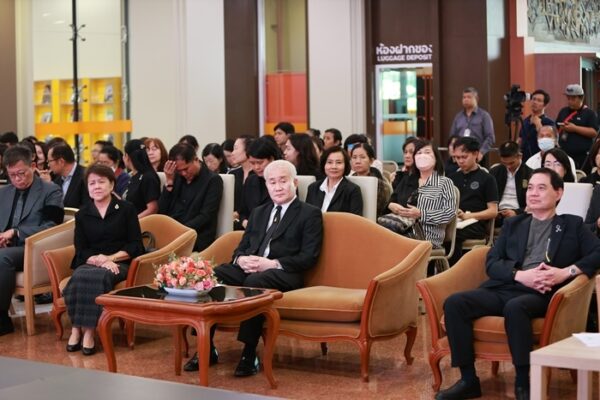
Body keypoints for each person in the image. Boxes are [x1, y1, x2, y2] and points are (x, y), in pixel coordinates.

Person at [436, 168, 600, 400]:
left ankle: (523, 382)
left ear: (558, 193)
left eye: (541, 188)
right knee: (455, 303)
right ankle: (468, 380)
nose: (533, 193)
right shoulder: (514, 224)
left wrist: (565, 273)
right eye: (530, 188)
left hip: (543, 292)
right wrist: (519, 275)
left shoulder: (572, 225)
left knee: (516, 307)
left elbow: (597, 253)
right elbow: (492, 262)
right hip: (508, 286)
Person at [183, 160, 323, 376]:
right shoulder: (259, 212)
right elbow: (241, 248)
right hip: (251, 268)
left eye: (283, 181)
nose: (277, 187)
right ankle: (206, 347)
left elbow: (308, 256)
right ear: (266, 185)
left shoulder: (309, 213)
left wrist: (272, 264)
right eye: (272, 182)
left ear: (294, 183)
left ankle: (249, 353)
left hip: (285, 273)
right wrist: (240, 260)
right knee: (211, 276)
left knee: (254, 283)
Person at [63, 164, 144, 355]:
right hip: (91, 262)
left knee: (99, 276)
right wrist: (98, 260)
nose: (96, 186)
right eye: (92, 183)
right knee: (79, 276)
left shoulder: (126, 209)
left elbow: (136, 245)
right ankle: (76, 329)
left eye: (101, 182)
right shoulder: (82, 214)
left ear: (112, 185)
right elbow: (81, 249)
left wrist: (110, 258)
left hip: (119, 263)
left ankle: (88, 332)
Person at [0, 145, 64, 335]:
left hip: (33, 248)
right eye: (12, 175)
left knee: (2, 258)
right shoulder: (4, 192)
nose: (17, 179)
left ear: (33, 166)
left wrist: (16, 232)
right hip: (7, 247)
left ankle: (1, 319)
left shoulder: (51, 191)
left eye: (22, 173)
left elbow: (52, 227)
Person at [383, 139, 456, 248]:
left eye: (427, 152)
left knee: (389, 242)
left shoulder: (444, 182)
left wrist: (422, 214)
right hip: (400, 230)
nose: (422, 156)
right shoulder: (407, 180)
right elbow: (392, 201)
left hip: (427, 237)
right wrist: (392, 205)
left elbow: (449, 213)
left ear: (436, 158)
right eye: (419, 153)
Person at [159, 143, 223, 251]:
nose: (183, 173)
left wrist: (179, 230)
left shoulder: (212, 180)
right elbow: (162, 210)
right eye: (179, 170)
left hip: (196, 237)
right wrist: (169, 182)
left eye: (186, 169)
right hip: (172, 236)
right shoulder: (176, 177)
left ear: (196, 160)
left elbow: (206, 216)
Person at [448, 137, 499, 265]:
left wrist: (468, 216)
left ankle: (455, 270)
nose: (460, 161)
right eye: (457, 157)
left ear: (476, 154)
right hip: (454, 220)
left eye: (464, 157)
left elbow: (493, 211)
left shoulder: (487, 179)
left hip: (476, 223)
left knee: (453, 234)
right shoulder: (452, 178)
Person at [305, 146, 363, 215]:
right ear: (324, 164)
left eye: (339, 162)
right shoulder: (313, 188)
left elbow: (355, 219)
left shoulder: (353, 190)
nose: (334, 166)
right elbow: (307, 215)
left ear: (346, 165)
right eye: (329, 162)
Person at [238, 137, 281, 229]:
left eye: (260, 162)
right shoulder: (250, 180)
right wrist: (244, 221)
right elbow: (242, 212)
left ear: (271, 159)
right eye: (252, 163)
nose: (256, 167)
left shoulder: (284, 181)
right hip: (251, 230)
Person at [556, 84, 599, 170]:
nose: (570, 101)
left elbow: (594, 132)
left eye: (573, 99)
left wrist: (575, 128)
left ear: (581, 98)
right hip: (564, 153)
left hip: (582, 156)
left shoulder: (589, 113)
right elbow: (556, 126)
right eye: (568, 98)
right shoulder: (563, 111)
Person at [448, 87, 495, 163]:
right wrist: (452, 148)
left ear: (476, 99)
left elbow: (490, 137)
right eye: (464, 97)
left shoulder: (484, 116)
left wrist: (481, 152)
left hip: (477, 155)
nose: (466, 99)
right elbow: (452, 136)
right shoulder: (458, 117)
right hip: (460, 156)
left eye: (469, 97)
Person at [490, 141, 533, 223]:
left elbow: (533, 202)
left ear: (520, 156)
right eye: (504, 163)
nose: (508, 166)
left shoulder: (530, 174)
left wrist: (517, 212)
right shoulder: (494, 172)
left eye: (511, 163)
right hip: (497, 212)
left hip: (520, 213)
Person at [349, 142, 392, 217]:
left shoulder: (380, 184)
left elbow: (382, 210)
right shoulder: (349, 180)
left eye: (362, 157)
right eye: (354, 157)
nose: (357, 161)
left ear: (371, 161)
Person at [122, 139, 161, 218]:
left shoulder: (148, 177)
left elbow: (153, 208)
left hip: (142, 222)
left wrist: (133, 221)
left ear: (127, 156)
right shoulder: (133, 176)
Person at [45, 143, 89, 208]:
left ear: (61, 161)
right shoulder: (56, 181)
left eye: (49, 161)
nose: (48, 165)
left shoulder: (86, 176)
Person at [518, 89, 555, 161]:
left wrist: (538, 125)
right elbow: (520, 139)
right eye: (533, 99)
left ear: (545, 105)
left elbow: (549, 143)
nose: (535, 102)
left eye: (539, 100)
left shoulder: (549, 123)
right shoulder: (525, 120)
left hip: (540, 159)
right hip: (524, 160)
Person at [229, 135, 255, 227]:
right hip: (233, 222)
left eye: (236, 148)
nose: (232, 153)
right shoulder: (232, 174)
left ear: (248, 150)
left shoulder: (258, 174)